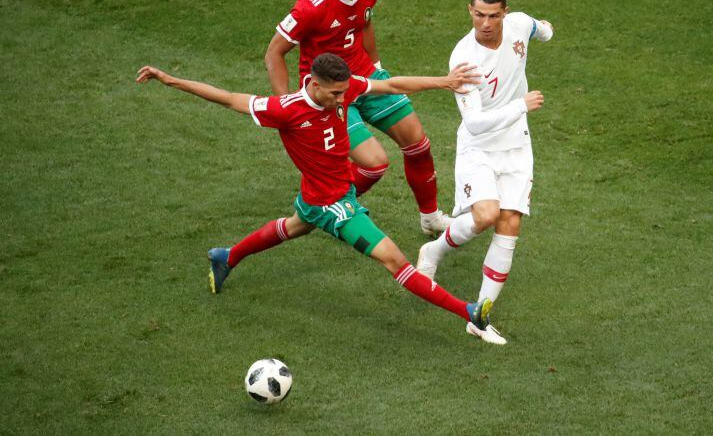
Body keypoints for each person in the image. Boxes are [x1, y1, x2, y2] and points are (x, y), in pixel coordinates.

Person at [135, 54, 495, 336]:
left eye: (344, 92)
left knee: (294, 226)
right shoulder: (286, 109)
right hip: (332, 205)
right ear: (314, 84)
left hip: (325, 194)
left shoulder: (343, 88)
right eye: (336, 94)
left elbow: (389, 86)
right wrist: (170, 80)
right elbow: (229, 99)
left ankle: (226, 256)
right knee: (395, 261)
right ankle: (469, 311)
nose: (343, 100)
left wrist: (443, 82)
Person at [264, 0, 451, 236]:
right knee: (374, 165)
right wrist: (286, 104)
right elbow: (274, 52)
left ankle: (430, 219)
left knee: (418, 144)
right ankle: (331, 208)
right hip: (330, 94)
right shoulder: (312, 6)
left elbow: (364, 22)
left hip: (364, 78)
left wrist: (376, 66)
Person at [416, 0, 554, 345]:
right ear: (469, 11)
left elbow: (540, 28)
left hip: (516, 146)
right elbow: (475, 123)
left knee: (510, 222)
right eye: (479, 14)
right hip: (478, 146)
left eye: (494, 15)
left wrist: (546, 29)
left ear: (505, 12)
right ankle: (433, 250)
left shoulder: (520, 24)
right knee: (485, 216)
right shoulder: (464, 59)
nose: (486, 23)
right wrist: (520, 105)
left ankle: (480, 316)